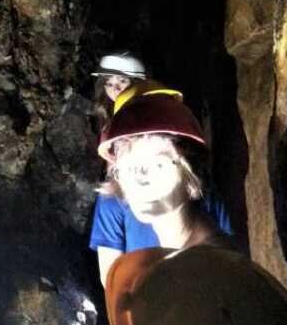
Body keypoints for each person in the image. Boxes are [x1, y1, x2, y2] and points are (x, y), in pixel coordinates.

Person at [90, 91, 233, 287]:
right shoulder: (170, 258)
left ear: (192, 181)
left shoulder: (213, 271)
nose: (139, 181)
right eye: (128, 168)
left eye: (157, 165)